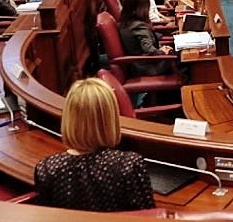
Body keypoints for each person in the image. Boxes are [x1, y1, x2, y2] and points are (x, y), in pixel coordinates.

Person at [32, 78, 155, 212]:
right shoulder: (130, 165)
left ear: (69, 118)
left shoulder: (47, 169)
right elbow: (149, 221)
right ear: (110, 118)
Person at [119, 0, 173, 77]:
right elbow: (149, 50)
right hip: (147, 67)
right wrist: (162, 52)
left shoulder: (125, 22)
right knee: (186, 60)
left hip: (138, 65)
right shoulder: (139, 26)